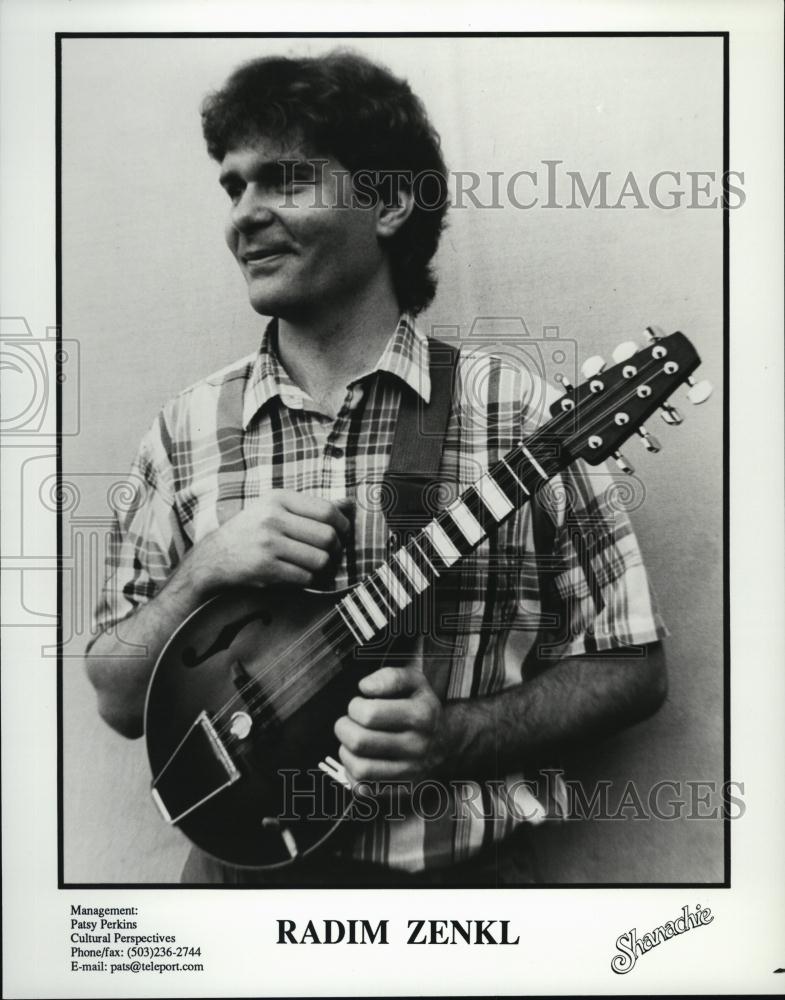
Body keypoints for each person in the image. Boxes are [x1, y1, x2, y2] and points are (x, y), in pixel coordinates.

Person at [85, 50, 668, 885]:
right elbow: (117, 700)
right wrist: (204, 570)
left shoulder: (519, 418)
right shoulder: (182, 432)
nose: (244, 215)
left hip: (460, 906)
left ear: (390, 202)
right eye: (233, 186)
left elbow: (632, 669)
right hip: (232, 907)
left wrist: (452, 738)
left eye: (284, 178)